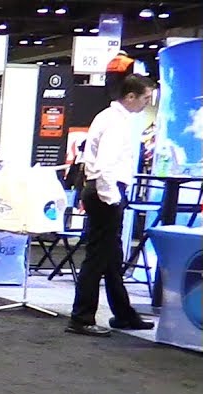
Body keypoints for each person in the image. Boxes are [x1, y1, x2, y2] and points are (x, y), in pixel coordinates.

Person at [67, 74, 158, 337]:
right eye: (145, 98)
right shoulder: (115, 123)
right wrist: (113, 198)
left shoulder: (110, 118)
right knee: (97, 258)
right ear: (130, 96)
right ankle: (81, 318)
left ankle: (124, 314)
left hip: (102, 192)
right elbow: (105, 166)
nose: (146, 103)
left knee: (111, 258)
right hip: (105, 193)